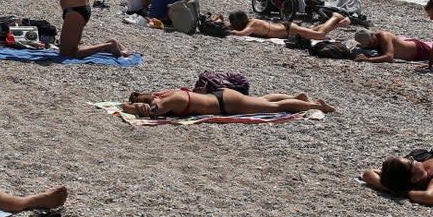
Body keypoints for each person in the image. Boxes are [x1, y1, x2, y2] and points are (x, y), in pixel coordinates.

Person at [121, 88, 335, 118]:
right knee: (260, 100)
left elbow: (149, 113)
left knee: (275, 108)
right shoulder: (168, 93)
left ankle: (317, 106)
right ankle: (299, 99)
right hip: (222, 96)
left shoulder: (167, 101)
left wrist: (129, 107)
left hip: (225, 104)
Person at [351, 28, 433, 65]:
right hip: (414, 46)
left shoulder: (384, 37)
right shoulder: (373, 40)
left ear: (373, 36)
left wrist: (368, 60)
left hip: (418, 51)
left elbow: (389, 57)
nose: (372, 45)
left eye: (372, 42)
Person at [227, 10, 351, 40]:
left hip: (288, 29)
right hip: (286, 27)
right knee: (313, 30)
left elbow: (241, 34)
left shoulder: (252, 25)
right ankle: (335, 19)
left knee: (320, 35)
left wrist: (226, 31)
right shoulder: (251, 22)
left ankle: (338, 21)